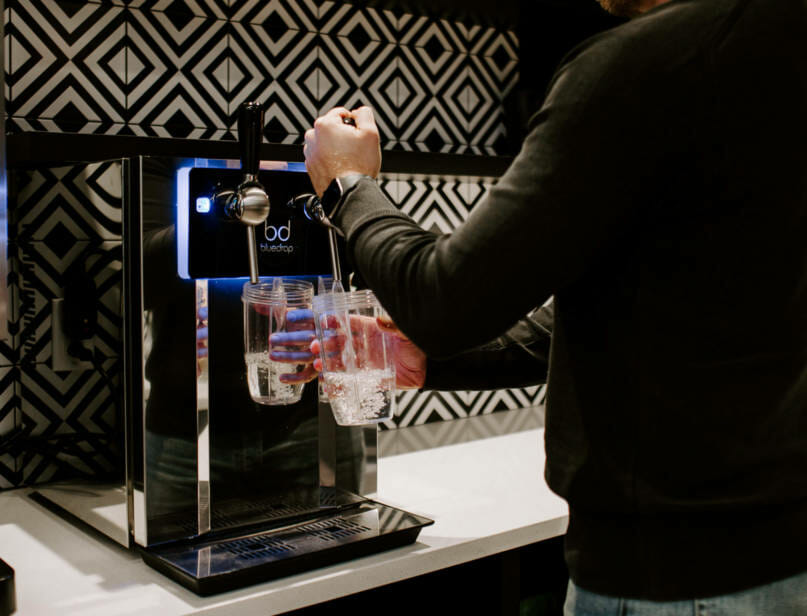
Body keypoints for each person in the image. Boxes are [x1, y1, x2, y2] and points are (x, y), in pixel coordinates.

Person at [300, 0, 807, 613]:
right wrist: (430, 358)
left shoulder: (642, 66)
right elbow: (645, 313)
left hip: (682, 577)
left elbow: (443, 297)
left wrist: (351, 184)